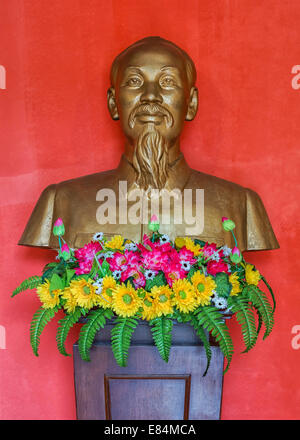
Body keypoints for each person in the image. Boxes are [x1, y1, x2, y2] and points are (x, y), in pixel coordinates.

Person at [19, 36, 279, 251]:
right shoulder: (63, 201)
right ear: (113, 103)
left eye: (167, 82)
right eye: (134, 82)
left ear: (191, 104)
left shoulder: (239, 204)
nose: (151, 95)